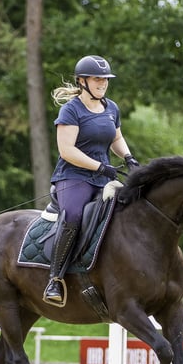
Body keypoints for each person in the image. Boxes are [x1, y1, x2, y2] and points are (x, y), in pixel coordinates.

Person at [43, 54, 139, 305]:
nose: (103, 84)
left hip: (103, 177)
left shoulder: (111, 108)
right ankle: (55, 279)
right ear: (82, 81)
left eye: (105, 79)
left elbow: (116, 138)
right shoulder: (71, 110)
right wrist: (100, 166)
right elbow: (67, 151)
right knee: (74, 215)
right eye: (98, 79)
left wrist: (128, 158)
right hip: (74, 177)